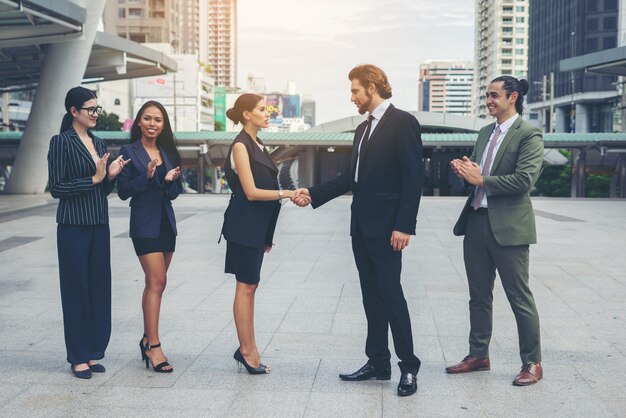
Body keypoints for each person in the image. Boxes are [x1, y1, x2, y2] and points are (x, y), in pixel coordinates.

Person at [294, 64, 424, 397]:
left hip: (388, 229)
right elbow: (350, 178)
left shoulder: (403, 122)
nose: (351, 97)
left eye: (354, 91)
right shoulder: (362, 129)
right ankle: (378, 361)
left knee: (392, 295)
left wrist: (404, 226)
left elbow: (413, 178)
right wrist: (312, 193)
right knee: (371, 297)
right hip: (362, 228)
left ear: (372, 86)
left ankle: (408, 367)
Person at [446, 76, 544, 386]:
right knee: (478, 296)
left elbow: (524, 180)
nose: (488, 100)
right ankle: (478, 355)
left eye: (494, 95)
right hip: (476, 220)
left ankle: (532, 363)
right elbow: (478, 169)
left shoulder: (529, 134)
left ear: (512, 97)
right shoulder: (485, 132)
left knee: (519, 297)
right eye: (486, 95)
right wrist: (465, 169)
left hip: (510, 227)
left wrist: (481, 180)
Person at [48, 86, 128, 379]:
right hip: (72, 226)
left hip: (98, 224)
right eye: (90, 109)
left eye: (97, 109)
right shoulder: (61, 143)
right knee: (76, 289)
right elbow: (57, 188)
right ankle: (78, 356)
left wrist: (109, 178)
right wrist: (93, 178)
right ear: (73, 112)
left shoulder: (100, 141)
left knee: (98, 288)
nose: (95, 114)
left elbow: (101, 189)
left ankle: (94, 351)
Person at [220, 93, 298, 375]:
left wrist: (267, 234)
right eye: (262, 110)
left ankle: (248, 348)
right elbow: (251, 192)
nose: (268, 114)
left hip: (255, 226)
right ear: (246, 115)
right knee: (245, 286)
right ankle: (246, 350)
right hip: (243, 225)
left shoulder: (258, 143)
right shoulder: (241, 145)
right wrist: (287, 192)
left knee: (250, 286)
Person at [117, 101, 182, 373]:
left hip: (165, 223)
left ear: (163, 124)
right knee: (158, 281)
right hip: (144, 224)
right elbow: (122, 191)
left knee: (155, 284)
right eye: (147, 118)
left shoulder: (167, 151)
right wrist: (146, 176)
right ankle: (154, 346)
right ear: (138, 123)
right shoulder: (128, 151)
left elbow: (176, 192)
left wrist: (167, 181)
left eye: (157, 119)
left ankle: (146, 338)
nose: (152, 123)